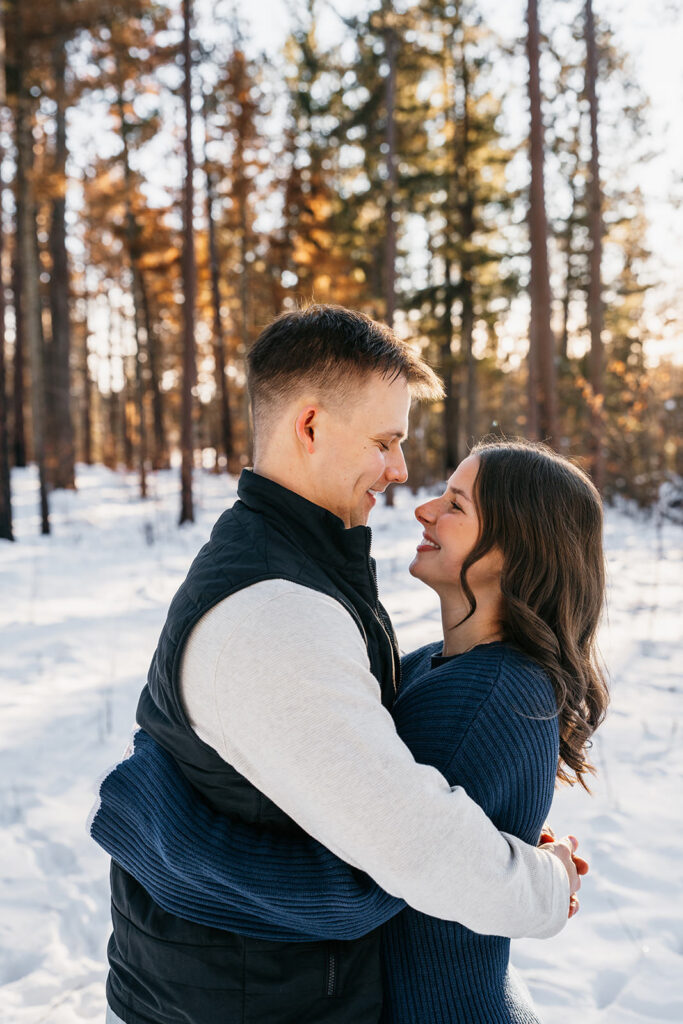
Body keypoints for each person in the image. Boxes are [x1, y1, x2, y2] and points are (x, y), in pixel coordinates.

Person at [91, 306, 582, 1024]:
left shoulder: (299, 565)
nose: (400, 471)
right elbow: (410, 845)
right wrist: (545, 884)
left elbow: (375, 805)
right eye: (385, 441)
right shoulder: (275, 611)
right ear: (311, 425)